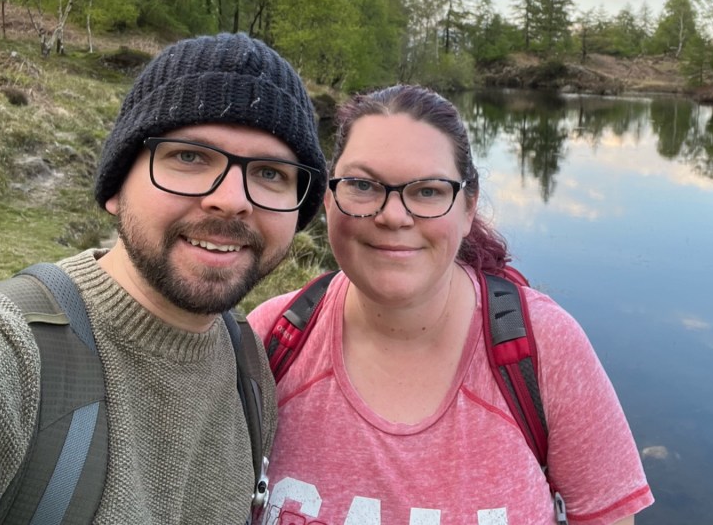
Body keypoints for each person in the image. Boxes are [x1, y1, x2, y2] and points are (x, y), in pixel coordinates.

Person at [0, 32, 327, 524]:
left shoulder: (248, 370)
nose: (232, 199)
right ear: (116, 188)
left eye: (270, 173)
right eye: (190, 156)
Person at [248, 84, 653, 525]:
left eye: (428, 191)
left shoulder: (544, 347)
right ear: (328, 198)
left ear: (467, 207)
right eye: (363, 185)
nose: (394, 216)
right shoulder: (273, 337)